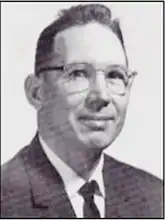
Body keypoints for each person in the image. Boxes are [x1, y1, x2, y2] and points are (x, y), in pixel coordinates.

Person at [1, 4, 163, 218]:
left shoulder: (155, 197)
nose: (102, 96)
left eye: (115, 75)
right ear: (37, 93)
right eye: (78, 74)